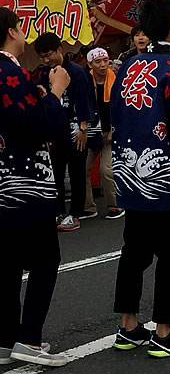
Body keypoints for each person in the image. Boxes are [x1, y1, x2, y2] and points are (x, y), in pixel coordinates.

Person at [111, 0, 170, 357]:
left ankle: (128, 326)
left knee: (133, 251)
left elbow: (115, 115)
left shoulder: (128, 66)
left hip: (129, 171)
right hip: (166, 175)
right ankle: (164, 332)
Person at [0, 7, 70, 367]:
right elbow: (43, 126)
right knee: (45, 259)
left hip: (4, 182)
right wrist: (55, 92)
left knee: (8, 261)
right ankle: (28, 339)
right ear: (12, 32)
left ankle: (5, 340)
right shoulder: (9, 72)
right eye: (19, 27)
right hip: (26, 181)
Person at [34, 32, 95, 232]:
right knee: (56, 174)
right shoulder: (44, 73)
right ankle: (59, 211)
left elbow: (85, 99)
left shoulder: (77, 71)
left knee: (77, 173)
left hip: (76, 130)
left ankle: (75, 213)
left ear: (59, 49)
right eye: (42, 57)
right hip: (55, 132)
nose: (46, 60)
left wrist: (83, 128)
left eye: (48, 54)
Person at [84, 47, 125, 220]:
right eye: (98, 62)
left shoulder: (116, 80)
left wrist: (114, 130)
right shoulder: (85, 81)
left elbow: (122, 109)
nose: (102, 65)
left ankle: (115, 205)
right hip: (91, 131)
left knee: (106, 169)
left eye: (105, 60)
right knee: (82, 168)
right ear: (90, 64)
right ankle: (88, 207)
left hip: (110, 132)